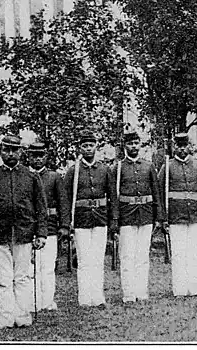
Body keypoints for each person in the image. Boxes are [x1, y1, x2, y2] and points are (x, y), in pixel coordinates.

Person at [0, 135, 47, 329]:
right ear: (0, 152)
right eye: (6, 150)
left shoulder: (31, 177)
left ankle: (22, 317)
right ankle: (5, 320)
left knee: (22, 277)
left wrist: (41, 234)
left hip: (24, 234)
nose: (10, 154)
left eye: (14, 150)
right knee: (3, 280)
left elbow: (41, 208)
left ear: (21, 152)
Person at [58, 131, 118, 307]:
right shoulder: (73, 171)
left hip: (100, 218)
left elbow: (113, 197)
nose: (88, 149)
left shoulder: (104, 169)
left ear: (96, 147)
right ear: (80, 148)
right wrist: (66, 223)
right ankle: (85, 298)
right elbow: (65, 199)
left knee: (98, 259)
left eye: (91, 145)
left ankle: (97, 297)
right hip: (81, 220)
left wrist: (114, 220)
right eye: (85, 146)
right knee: (84, 260)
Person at [158, 132, 197, 297]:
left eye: (184, 146)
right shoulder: (167, 167)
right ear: (174, 147)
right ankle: (179, 288)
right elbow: (160, 193)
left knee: (194, 253)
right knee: (179, 253)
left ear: (189, 147)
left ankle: (194, 287)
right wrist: (162, 218)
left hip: (195, 215)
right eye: (179, 146)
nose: (182, 149)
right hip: (176, 217)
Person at [114, 130, 163, 303]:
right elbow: (114, 196)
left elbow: (156, 192)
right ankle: (129, 293)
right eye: (130, 143)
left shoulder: (148, 166)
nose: (133, 146)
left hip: (146, 214)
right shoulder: (118, 168)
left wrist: (159, 216)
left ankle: (141, 291)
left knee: (142, 256)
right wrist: (115, 219)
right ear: (124, 146)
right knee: (127, 256)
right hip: (127, 216)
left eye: (136, 143)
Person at [27, 139, 62, 311]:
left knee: (47, 267)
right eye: (34, 156)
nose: (37, 159)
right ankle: (32, 301)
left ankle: (47, 301)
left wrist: (64, 225)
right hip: (27, 227)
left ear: (46, 157)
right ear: (28, 157)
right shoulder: (24, 176)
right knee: (30, 268)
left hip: (49, 227)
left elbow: (63, 203)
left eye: (41, 155)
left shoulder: (54, 177)